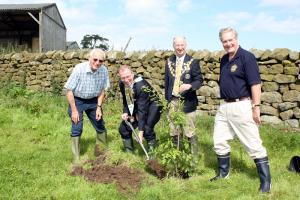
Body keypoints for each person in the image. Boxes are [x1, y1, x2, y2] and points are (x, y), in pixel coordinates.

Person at [209, 27, 271, 193]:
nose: (228, 43)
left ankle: (266, 183)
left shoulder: (246, 57)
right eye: (224, 41)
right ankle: (224, 174)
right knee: (219, 141)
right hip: (224, 107)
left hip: (241, 105)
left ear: (236, 39)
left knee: (253, 143)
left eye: (230, 40)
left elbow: (255, 84)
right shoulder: (224, 59)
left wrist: (256, 107)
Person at [64, 48, 109, 164]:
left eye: (101, 61)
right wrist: (74, 110)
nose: (97, 63)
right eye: (95, 59)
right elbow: (69, 91)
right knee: (77, 127)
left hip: (94, 101)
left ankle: (101, 153)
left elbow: (102, 90)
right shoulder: (79, 69)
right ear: (90, 58)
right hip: (77, 101)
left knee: (100, 124)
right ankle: (76, 159)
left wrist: (99, 107)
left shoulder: (104, 71)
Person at [164, 36, 202, 162]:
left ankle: (194, 159)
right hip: (173, 101)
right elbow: (167, 82)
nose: (180, 48)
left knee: (189, 131)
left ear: (186, 45)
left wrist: (190, 85)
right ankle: (177, 157)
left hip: (187, 102)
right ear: (173, 46)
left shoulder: (193, 61)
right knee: (174, 130)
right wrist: (168, 100)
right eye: (177, 45)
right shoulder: (169, 61)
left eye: (182, 45)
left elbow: (199, 80)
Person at [118, 65, 162, 153]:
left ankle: (152, 154)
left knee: (147, 129)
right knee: (124, 128)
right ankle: (129, 153)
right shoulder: (122, 84)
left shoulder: (141, 86)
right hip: (136, 104)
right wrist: (126, 112)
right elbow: (126, 100)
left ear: (132, 74)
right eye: (123, 78)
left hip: (153, 105)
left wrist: (141, 131)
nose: (126, 80)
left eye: (128, 77)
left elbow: (142, 110)